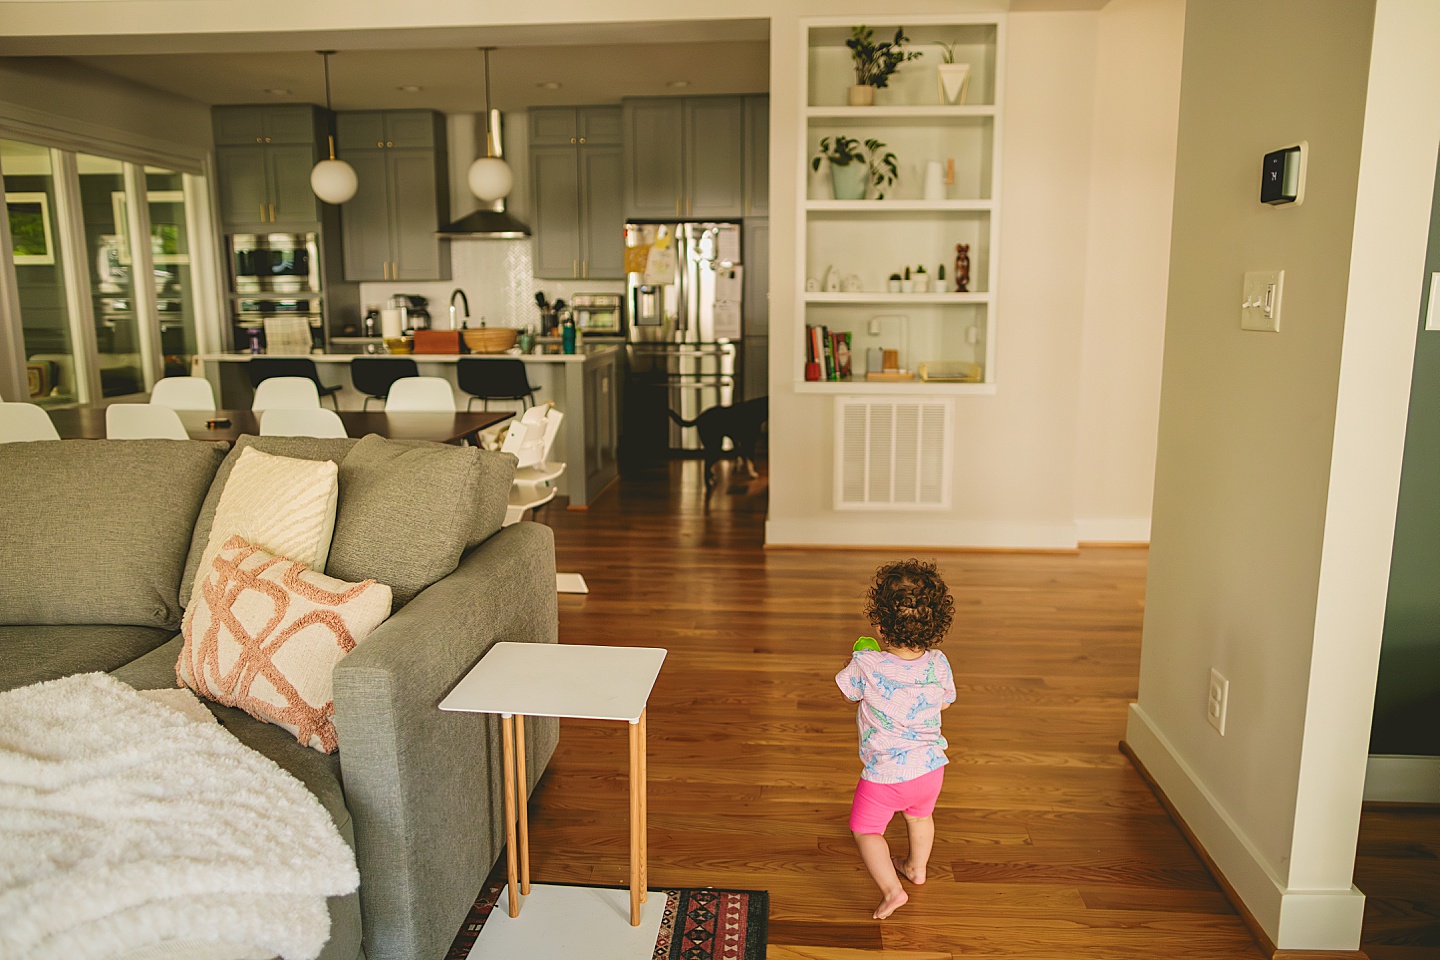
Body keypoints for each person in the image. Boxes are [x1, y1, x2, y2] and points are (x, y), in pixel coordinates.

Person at [836, 559, 957, 919]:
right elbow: (946, 700)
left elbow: (848, 693)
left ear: (879, 621)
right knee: (920, 818)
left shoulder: (867, 663)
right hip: (931, 768)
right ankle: (917, 868)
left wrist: (859, 656)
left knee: (866, 831)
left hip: (886, 775)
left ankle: (892, 890)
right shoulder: (938, 663)